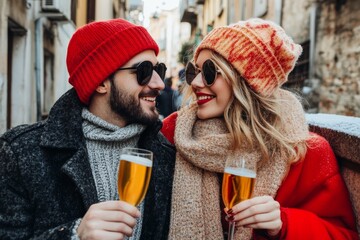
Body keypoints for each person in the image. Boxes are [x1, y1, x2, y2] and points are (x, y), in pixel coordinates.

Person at [161, 18, 358, 239]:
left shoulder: (303, 151)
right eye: (192, 71)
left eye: (208, 72)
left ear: (246, 81)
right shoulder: (176, 133)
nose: (195, 83)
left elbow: (343, 235)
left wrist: (283, 223)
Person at [0, 18, 175, 240]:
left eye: (159, 69)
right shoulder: (21, 154)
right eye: (144, 71)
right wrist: (73, 234)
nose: (159, 83)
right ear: (100, 82)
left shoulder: (167, 156)